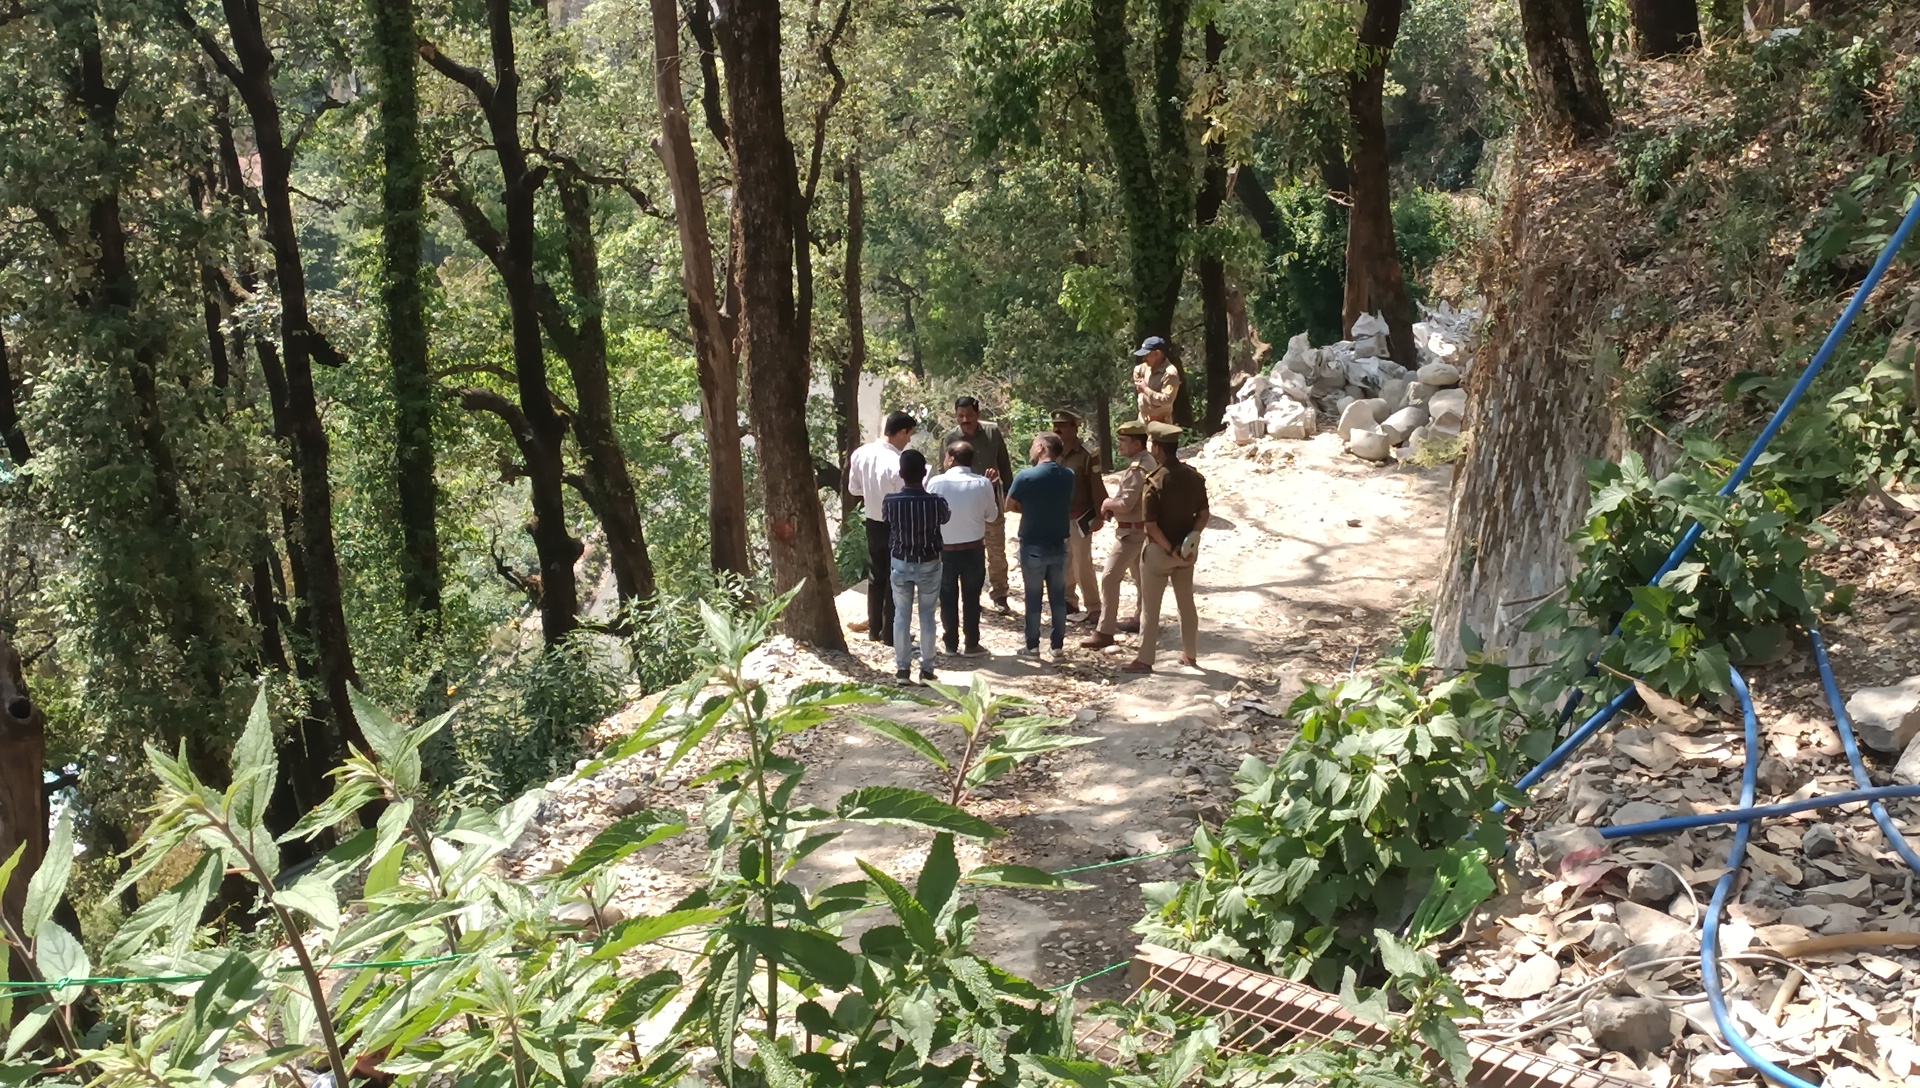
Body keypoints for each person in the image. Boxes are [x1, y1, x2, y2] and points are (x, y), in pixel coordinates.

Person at [1124, 423, 1209, 674]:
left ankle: (1145, 659)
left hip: (1159, 554)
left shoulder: (1154, 481)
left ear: (1157, 448)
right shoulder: (1194, 477)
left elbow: (1150, 526)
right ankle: (1190, 656)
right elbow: (1203, 514)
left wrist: (1169, 548)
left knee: (1151, 609)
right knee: (1186, 604)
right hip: (1187, 553)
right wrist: (1190, 541)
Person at [1081, 419, 1157, 650]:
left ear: (1137, 443)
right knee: (1141, 578)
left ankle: (1105, 631)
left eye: (1124, 441)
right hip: (1140, 530)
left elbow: (1126, 503)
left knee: (1109, 578)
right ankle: (1142, 619)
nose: (1120, 446)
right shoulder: (1145, 461)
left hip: (1131, 533)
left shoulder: (1138, 468)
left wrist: (1107, 504)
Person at [847, 410, 916, 645]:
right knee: (896, 577)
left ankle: (874, 629)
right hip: (896, 523)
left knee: (876, 575)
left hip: (872, 521)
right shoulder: (898, 462)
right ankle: (891, 634)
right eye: (909, 435)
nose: (909, 440)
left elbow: (854, 490)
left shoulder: (861, 453)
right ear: (902, 432)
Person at [882, 449, 949, 684]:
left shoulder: (890, 502)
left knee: (901, 615)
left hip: (901, 561)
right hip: (929, 561)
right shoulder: (936, 502)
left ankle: (902, 669)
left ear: (901, 474)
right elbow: (945, 518)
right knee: (928, 615)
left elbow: (886, 521)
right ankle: (927, 669)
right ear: (924, 474)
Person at [1005, 432, 1074, 660]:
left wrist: (1030, 509)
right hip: (1059, 544)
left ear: (1043, 447)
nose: (1032, 449)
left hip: (1033, 544)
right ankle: (1058, 646)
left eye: (1034, 445)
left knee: (1033, 597)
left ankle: (1032, 646)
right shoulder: (1068, 476)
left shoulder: (1025, 477)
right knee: (1058, 596)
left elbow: (1009, 504)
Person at [942, 397, 1016, 612]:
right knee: (966, 552)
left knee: (996, 550)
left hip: (991, 500)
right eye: (960, 416)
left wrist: (1012, 495)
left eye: (969, 415)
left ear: (978, 414)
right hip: (963, 506)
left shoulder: (992, 433)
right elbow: (944, 470)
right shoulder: (951, 438)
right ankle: (970, 598)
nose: (965, 420)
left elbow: (1004, 464)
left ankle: (1000, 594)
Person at [926, 441, 997, 657]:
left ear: (950, 458)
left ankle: (950, 644)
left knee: (947, 597)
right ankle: (972, 643)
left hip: (945, 550)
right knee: (972, 597)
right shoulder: (983, 483)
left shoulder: (936, 483)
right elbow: (992, 516)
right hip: (974, 549)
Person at [1052, 409, 1108, 627]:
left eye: (1063, 425)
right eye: (1055, 425)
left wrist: (1100, 514)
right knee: (1062, 561)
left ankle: (1093, 606)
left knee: (1082, 563)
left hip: (1080, 516)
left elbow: (1096, 485)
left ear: (1074, 428)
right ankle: (1068, 602)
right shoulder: (1051, 453)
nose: (1058, 429)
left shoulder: (1086, 455)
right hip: (1058, 516)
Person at [1132, 336, 1180, 424]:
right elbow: (1137, 371)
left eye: (1147, 355)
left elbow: (1167, 400)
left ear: (1157, 354)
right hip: (1142, 421)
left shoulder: (1170, 373)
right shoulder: (1144, 368)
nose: (1144, 358)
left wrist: (1146, 390)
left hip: (1161, 424)